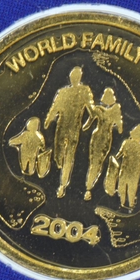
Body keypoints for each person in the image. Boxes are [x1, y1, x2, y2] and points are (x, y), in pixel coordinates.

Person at [44, 66, 94, 198]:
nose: (74, 78)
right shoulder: (63, 92)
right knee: (58, 154)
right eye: (73, 76)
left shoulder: (84, 90)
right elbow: (55, 108)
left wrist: (87, 123)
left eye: (76, 76)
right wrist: (48, 119)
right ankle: (59, 171)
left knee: (69, 155)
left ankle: (63, 184)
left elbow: (91, 110)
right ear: (70, 77)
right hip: (61, 126)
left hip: (74, 127)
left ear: (80, 77)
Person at [83, 88, 123, 201]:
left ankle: (89, 186)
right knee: (97, 162)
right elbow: (120, 129)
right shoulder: (113, 110)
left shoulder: (101, 109)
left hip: (98, 137)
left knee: (94, 162)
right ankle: (89, 186)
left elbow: (86, 125)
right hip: (104, 137)